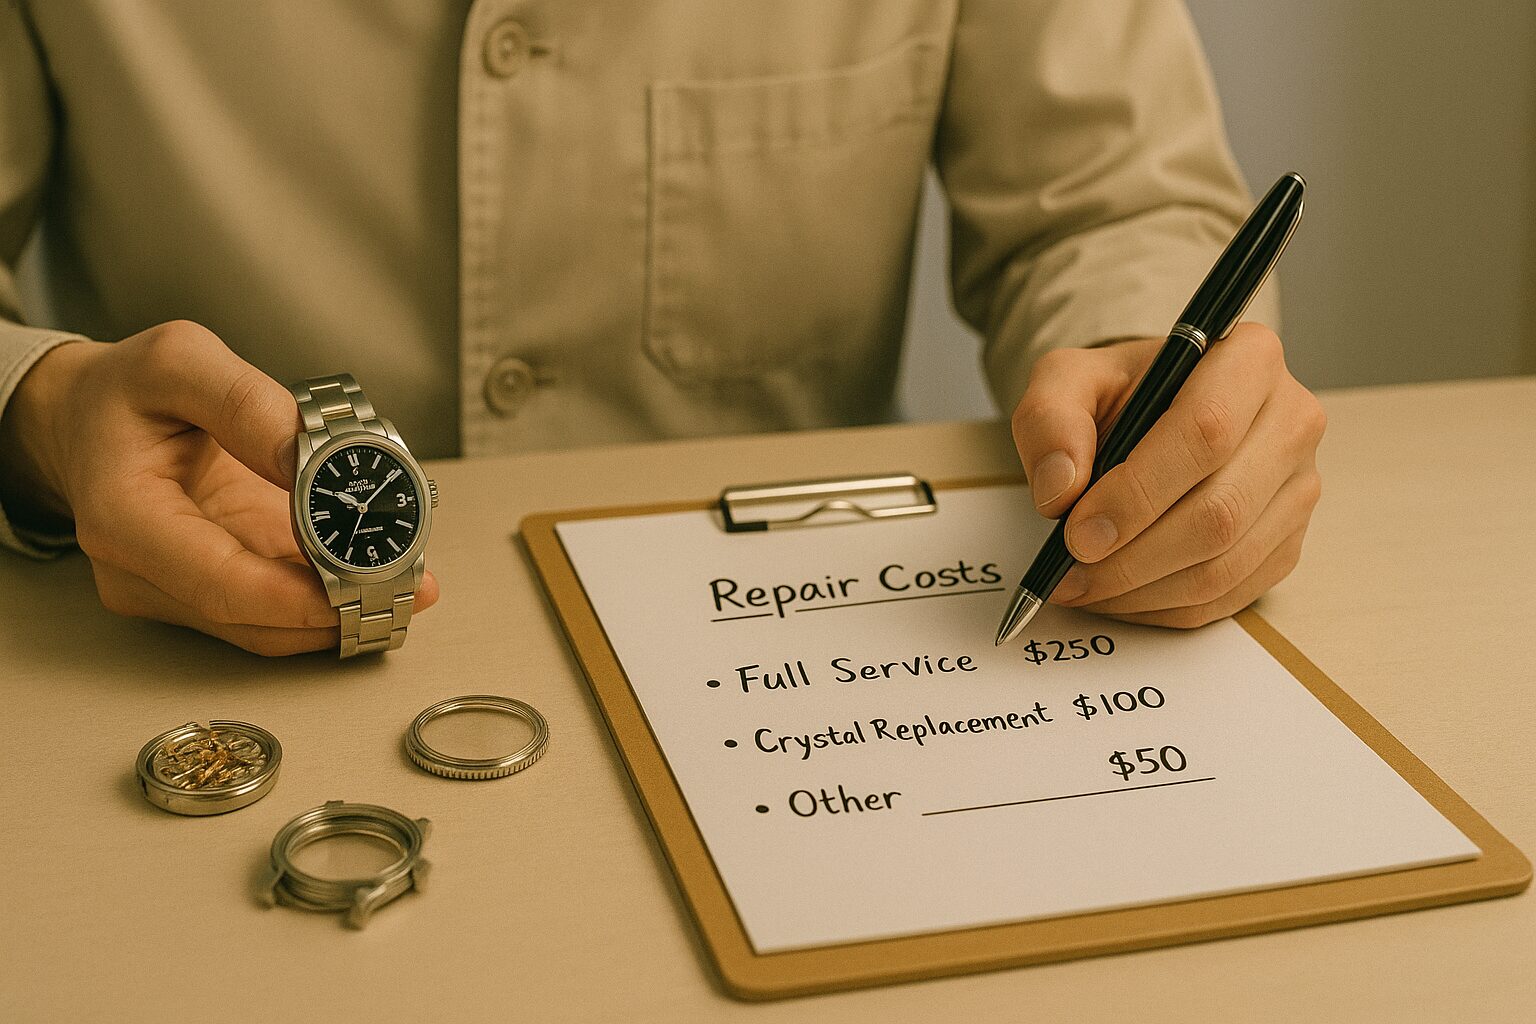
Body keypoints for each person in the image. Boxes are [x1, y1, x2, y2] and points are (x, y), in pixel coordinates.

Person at [0, 1, 1323, 655]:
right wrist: (39, 415)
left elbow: (1111, 199)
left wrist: (1156, 390)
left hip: (776, 650)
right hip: (170, 662)